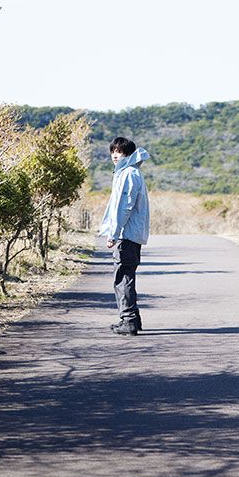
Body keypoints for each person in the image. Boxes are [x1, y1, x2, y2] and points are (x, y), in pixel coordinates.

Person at [98, 137, 150, 336]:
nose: (114, 155)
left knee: (123, 277)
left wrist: (113, 233)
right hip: (131, 233)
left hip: (126, 234)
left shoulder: (128, 173)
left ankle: (128, 321)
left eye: (119, 151)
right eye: (113, 151)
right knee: (127, 275)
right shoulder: (131, 172)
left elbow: (123, 208)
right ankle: (133, 319)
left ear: (128, 154)